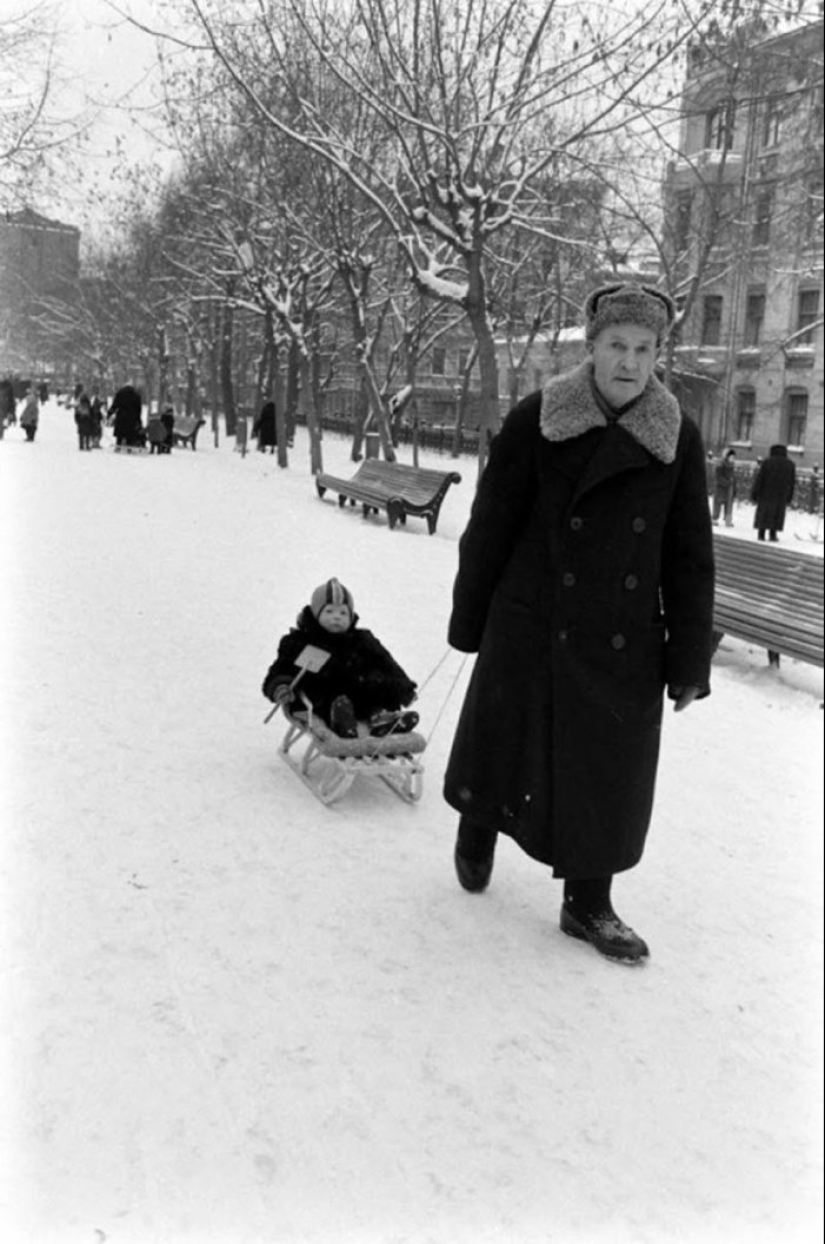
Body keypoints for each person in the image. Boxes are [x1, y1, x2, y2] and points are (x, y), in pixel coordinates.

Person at [443, 283, 715, 965]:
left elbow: (688, 556)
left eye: (643, 349)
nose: (628, 362)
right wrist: (470, 617)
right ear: (592, 347)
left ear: (657, 354)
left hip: (621, 638)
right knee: (506, 737)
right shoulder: (538, 417)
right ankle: (479, 822)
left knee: (609, 773)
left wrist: (687, 662)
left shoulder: (674, 435)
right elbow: (490, 525)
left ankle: (588, 902)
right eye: (616, 346)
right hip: (533, 618)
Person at [262, 578, 419, 738]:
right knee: (334, 698)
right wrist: (280, 687)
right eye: (329, 611)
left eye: (343, 612)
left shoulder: (362, 640)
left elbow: (386, 664)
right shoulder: (300, 642)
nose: (337, 617)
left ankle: (380, 718)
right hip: (321, 698)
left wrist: (404, 688)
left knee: (375, 682)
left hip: (360, 692)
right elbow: (280, 669)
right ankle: (340, 721)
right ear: (316, 614)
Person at [751, 444, 796, 541]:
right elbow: (792, 483)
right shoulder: (790, 465)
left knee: (765, 512)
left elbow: (760, 479)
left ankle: (761, 533)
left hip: (766, 493)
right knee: (777, 514)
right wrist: (790, 496)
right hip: (781, 495)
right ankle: (773, 534)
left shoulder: (767, 463)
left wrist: (755, 493)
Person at [109, 384, 144, 450]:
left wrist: (110, 413)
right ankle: (129, 448)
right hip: (132, 417)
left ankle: (118, 447)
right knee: (130, 434)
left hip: (121, 416)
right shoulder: (136, 395)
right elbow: (139, 409)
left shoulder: (119, 393)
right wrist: (138, 419)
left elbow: (115, 405)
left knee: (120, 433)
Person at [712, 448, 737, 526]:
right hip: (720, 489)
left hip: (729, 489)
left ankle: (728, 521)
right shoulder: (720, 465)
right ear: (727, 457)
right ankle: (714, 519)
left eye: (734, 458)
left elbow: (734, 478)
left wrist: (734, 488)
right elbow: (718, 478)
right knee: (717, 504)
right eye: (731, 457)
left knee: (729, 506)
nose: (733, 459)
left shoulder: (732, 466)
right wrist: (728, 482)